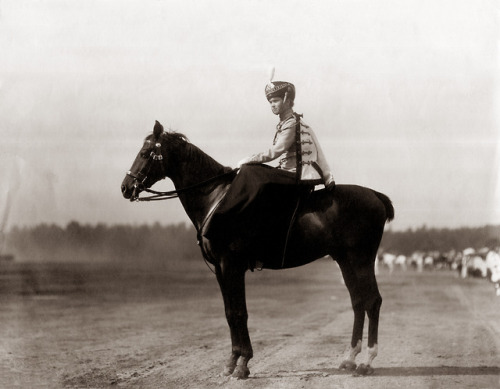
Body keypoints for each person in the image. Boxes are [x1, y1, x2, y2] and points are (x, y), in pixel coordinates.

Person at [237, 79, 336, 190]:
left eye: (275, 101)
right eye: (270, 102)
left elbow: (275, 152)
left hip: (296, 176)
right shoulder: (289, 122)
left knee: (250, 170)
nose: (272, 105)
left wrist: (250, 159)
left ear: (287, 101)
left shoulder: (292, 123)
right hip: (288, 173)